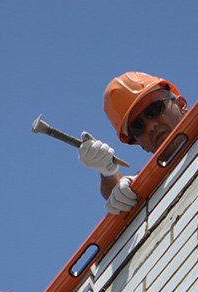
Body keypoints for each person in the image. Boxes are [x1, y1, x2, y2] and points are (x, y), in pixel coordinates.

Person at [77, 72, 188, 215]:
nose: (150, 127)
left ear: (181, 104)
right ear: (137, 142)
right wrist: (108, 172)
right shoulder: (156, 186)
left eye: (153, 110)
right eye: (137, 127)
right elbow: (122, 195)